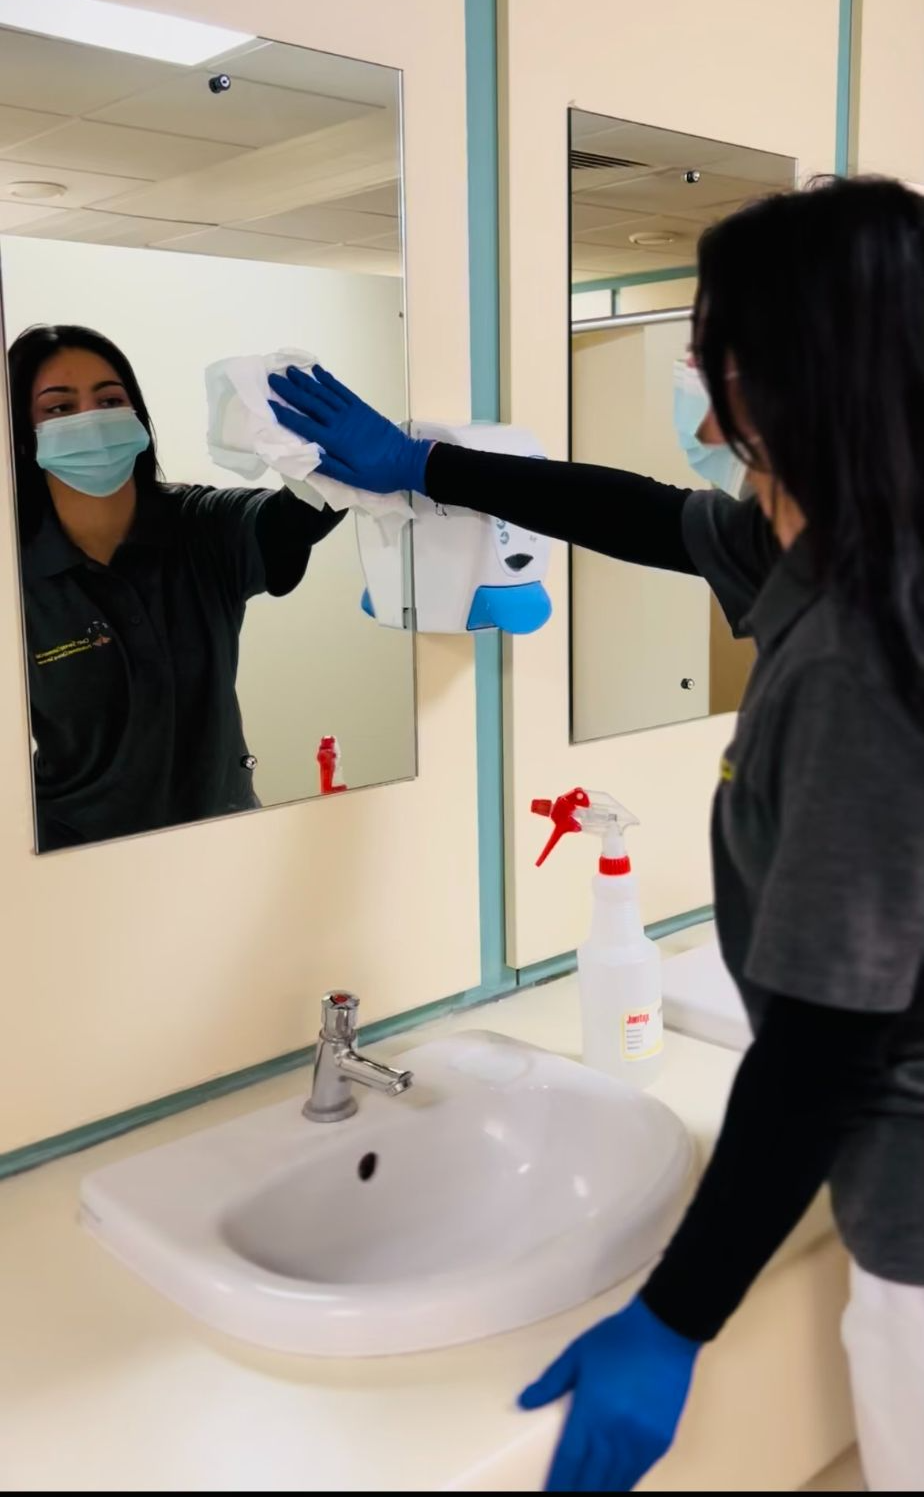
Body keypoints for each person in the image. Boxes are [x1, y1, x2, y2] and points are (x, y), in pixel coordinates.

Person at [267, 175, 924, 1494]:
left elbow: (820, 1055)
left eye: (713, 340)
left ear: (786, 374)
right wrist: (429, 468)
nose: (690, 364)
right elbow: (642, 515)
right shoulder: (844, 550)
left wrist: (674, 1318)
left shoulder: (860, 653)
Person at [9, 325, 343, 851]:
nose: (91, 420)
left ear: (138, 416)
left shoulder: (200, 526)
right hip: (74, 861)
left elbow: (298, 517)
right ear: (22, 434)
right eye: (58, 408)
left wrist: (318, 443)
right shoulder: (16, 572)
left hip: (221, 837)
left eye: (109, 399)